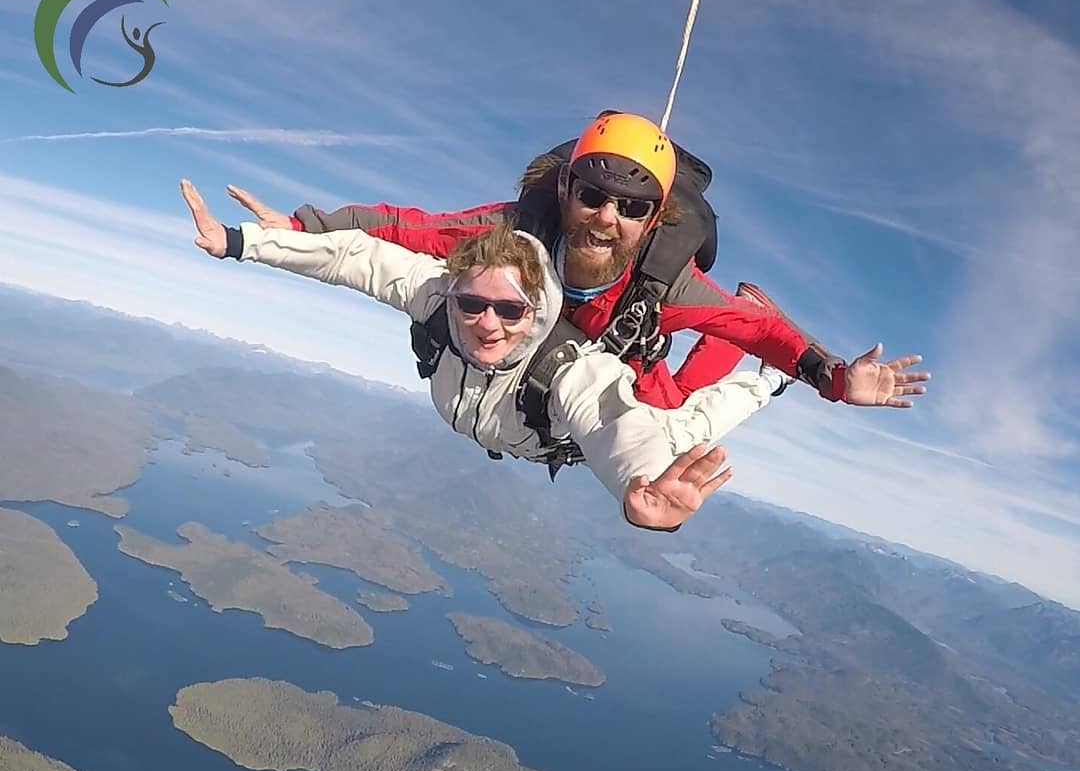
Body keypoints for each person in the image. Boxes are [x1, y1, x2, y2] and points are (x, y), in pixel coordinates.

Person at [180, 181, 928, 531]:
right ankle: (750, 369)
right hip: (519, 416)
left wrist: (641, 485)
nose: (487, 324)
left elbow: (611, 421)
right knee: (672, 408)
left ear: (536, 312)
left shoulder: (566, 366)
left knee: (685, 420)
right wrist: (251, 241)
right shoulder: (438, 292)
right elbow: (364, 252)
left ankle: (764, 383)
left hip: (572, 418)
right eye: (473, 304)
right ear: (454, 287)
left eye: (510, 311)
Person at [226, 111, 864, 409]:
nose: (606, 218)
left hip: (629, 344)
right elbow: (407, 227)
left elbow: (763, 333)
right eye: (593, 196)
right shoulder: (511, 235)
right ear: (565, 190)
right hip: (573, 335)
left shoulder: (666, 286)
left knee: (672, 402)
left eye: (631, 208)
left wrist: (832, 378)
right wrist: (303, 227)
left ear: (653, 219)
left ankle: (719, 336)